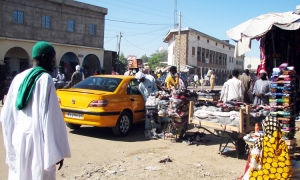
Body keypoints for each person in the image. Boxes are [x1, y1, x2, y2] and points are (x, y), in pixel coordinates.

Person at [0, 41, 71, 179]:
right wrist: (57, 152)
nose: (54, 62)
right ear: (44, 57)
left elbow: (6, 115)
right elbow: (51, 120)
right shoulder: (46, 79)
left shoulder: (18, 78)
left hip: (18, 138)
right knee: (38, 174)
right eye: (52, 58)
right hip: (38, 141)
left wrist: (11, 141)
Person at [135, 71, 158, 140]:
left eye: (141, 79)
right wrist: (147, 102)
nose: (141, 81)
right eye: (140, 80)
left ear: (143, 77)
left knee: (155, 114)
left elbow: (155, 88)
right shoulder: (140, 85)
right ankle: (147, 128)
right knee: (148, 115)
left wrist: (153, 94)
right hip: (148, 101)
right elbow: (143, 95)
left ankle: (156, 128)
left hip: (153, 99)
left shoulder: (151, 79)